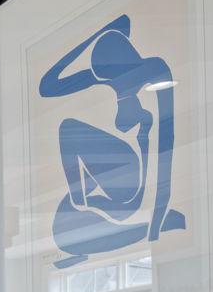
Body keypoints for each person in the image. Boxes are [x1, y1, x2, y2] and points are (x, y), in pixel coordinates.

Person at [37, 14, 185, 267]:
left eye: (117, 83)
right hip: (112, 192)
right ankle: (82, 210)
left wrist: (157, 221)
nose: (115, 88)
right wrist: (97, 35)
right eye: (110, 83)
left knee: (69, 130)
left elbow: (166, 147)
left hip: (133, 192)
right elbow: (47, 86)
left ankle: (90, 212)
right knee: (63, 233)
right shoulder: (105, 75)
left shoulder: (154, 71)